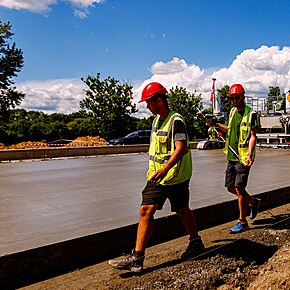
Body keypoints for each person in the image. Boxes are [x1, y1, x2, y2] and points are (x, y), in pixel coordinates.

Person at [109, 82, 204, 273]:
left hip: (175, 176)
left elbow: (181, 148)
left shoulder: (176, 120)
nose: (147, 106)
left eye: (148, 102)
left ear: (158, 100)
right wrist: (158, 171)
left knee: (182, 209)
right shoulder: (156, 121)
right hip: (157, 177)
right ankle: (137, 258)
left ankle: (196, 241)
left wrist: (165, 169)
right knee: (146, 210)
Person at [208, 83, 261, 234]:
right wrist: (218, 127)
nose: (234, 101)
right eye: (232, 98)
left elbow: (252, 136)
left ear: (243, 97)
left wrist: (250, 154)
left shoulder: (252, 114)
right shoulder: (232, 112)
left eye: (237, 97)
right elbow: (229, 130)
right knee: (230, 187)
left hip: (243, 157)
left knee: (239, 188)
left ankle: (242, 221)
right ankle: (253, 202)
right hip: (231, 155)